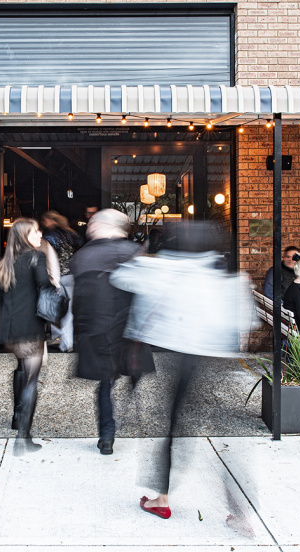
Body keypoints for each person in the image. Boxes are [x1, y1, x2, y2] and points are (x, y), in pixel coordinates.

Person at [110, 221, 254, 520]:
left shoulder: (166, 268)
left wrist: (141, 257)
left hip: (183, 361)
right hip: (218, 362)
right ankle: (240, 510)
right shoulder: (225, 276)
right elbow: (247, 321)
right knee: (225, 435)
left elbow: (120, 278)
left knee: (174, 430)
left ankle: (161, 498)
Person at [71, 209, 151, 456]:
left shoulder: (83, 256)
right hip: (129, 331)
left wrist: (78, 333)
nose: (89, 227)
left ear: (106, 225)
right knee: (130, 374)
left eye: (93, 223)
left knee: (106, 384)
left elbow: (80, 302)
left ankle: (107, 435)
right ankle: (130, 413)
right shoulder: (135, 253)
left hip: (99, 332)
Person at [0, 217, 54, 454]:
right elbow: (45, 287)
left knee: (21, 370)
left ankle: (16, 417)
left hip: (11, 330)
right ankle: (23, 437)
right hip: (30, 328)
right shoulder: (35, 257)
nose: (40, 235)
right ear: (23, 236)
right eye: (35, 232)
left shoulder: (5, 263)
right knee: (31, 379)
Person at [40, 210, 83, 352]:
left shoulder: (49, 235)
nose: (44, 223)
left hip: (55, 276)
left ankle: (57, 337)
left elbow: (43, 252)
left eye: (45, 220)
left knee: (51, 306)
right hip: (71, 275)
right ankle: (67, 343)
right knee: (68, 310)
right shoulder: (71, 234)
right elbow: (80, 245)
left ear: (51, 221)